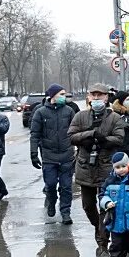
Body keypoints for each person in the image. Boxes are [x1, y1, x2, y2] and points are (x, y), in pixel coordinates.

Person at [69, 83, 126, 257]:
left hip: (107, 168)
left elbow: (119, 138)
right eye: (93, 95)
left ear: (106, 98)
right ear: (88, 97)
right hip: (85, 167)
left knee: (105, 205)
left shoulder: (115, 117)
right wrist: (87, 136)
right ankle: (98, 227)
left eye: (99, 95)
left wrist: (103, 140)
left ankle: (102, 245)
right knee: (87, 205)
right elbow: (71, 135)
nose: (96, 98)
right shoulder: (80, 116)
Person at [30, 84, 76, 223]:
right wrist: (33, 153)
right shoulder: (41, 112)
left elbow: (75, 131)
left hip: (67, 155)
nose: (64, 97)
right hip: (49, 156)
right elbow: (35, 134)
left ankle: (65, 212)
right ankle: (51, 201)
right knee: (50, 185)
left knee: (66, 187)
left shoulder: (69, 111)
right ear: (53, 96)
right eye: (61, 94)